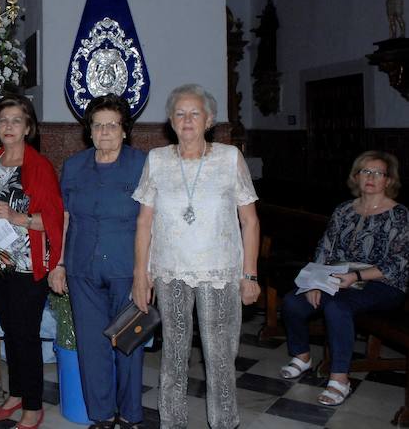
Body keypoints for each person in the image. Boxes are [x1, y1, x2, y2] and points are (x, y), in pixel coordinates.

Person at [131, 84, 260, 429]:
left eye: (194, 113)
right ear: (171, 121)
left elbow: (249, 220)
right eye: (180, 114)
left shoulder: (229, 157)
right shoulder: (157, 159)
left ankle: (224, 422)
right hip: (170, 271)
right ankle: (172, 422)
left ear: (209, 119)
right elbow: (144, 223)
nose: (187, 120)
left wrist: (250, 275)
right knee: (173, 354)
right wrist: (140, 275)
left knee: (220, 357)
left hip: (220, 272)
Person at [280, 151, 408, 406]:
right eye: (365, 172)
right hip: (337, 277)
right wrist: (315, 281)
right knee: (293, 301)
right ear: (356, 177)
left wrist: (357, 276)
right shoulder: (344, 210)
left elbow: (400, 261)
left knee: (338, 306)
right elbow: (325, 248)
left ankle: (340, 379)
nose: (370, 177)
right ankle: (302, 356)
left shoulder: (400, 214)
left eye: (378, 173)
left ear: (389, 180)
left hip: (382, 282)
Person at [49, 94, 146, 429]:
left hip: (127, 269)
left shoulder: (142, 165)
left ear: (124, 131)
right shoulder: (75, 166)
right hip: (82, 269)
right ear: (89, 131)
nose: (105, 131)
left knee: (128, 345)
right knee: (92, 347)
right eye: (98, 125)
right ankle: (101, 416)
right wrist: (59, 264)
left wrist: (145, 274)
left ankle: (131, 416)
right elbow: (64, 218)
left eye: (112, 125)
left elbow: (153, 222)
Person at [0, 95, 63, 429]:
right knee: (10, 331)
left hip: (26, 265)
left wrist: (17, 216)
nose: (9, 126)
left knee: (25, 334)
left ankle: (33, 404)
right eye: (3, 120)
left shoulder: (39, 167)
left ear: (28, 127)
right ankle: (17, 392)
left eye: (16, 120)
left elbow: (52, 220)